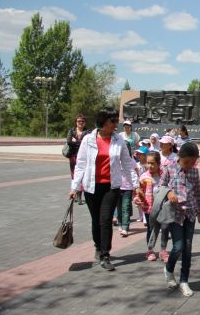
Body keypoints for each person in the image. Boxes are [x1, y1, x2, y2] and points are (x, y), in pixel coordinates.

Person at [70, 108, 138, 271]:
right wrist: (74, 187)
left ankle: (105, 254)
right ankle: (98, 247)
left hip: (111, 187)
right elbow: (80, 164)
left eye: (116, 121)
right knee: (96, 220)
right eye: (112, 121)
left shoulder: (119, 140)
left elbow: (127, 164)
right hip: (91, 187)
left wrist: (136, 185)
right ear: (102, 122)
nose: (115, 124)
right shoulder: (88, 139)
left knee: (106, 219)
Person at [161, 142, 200, 297]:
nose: (189, 165)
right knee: (178, 246)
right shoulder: (169, 168)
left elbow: (198, 194)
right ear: (180, 157)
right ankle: (169, 268)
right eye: (187, 162)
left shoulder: (194, 171)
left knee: (188, 247)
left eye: (192, 162)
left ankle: (184, 280)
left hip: (190, 214)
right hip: (175, 215)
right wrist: (168, 192)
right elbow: (160, 186)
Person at [135, 151, 162, 260]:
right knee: (151, 229)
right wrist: (137, 199)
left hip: (163, 207)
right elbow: (139, 192)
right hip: (149, 208)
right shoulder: (143, 177)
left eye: (152, 163)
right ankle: (150, 250)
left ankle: (163, 250)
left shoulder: (164, 175)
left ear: (158, 163)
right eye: (148, 163)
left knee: (165, 228)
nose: (150, 165)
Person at [66, 114, 90, 204]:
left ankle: (79, 195)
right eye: (79, 121)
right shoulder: (71, 131)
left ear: (85, 123)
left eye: (82, 121)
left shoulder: (88, 132)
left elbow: (87, 143)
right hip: (73, 156)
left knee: (82, 175)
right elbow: (69, 142)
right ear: (76, 122)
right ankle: (75, 192)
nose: (80, 123)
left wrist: (76, 141)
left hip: (84, 156)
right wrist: (80, 142)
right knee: (74, 175)